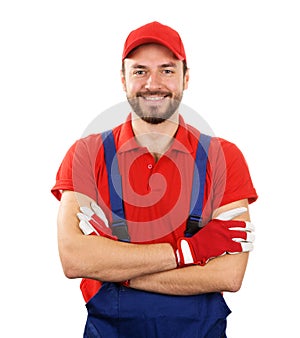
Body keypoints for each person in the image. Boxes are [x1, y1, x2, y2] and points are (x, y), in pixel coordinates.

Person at [51, 21, 258, 338]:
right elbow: (74, 259)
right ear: (123, 79)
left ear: (186, 78)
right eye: (139, 71)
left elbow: (229, 274)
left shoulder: (225, 157)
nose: (153, 83)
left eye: (167, 70)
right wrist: (188, 253)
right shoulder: (86, 155)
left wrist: (115, 270)